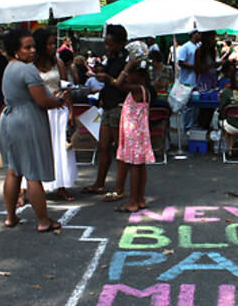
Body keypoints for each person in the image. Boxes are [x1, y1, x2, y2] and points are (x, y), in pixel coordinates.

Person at [0, 29, 68, 233]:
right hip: (26, 120)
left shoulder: (10, 67)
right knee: (32, 172)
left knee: (13, 171)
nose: (32, 51)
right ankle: (43, 220)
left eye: (32, 47)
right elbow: (42, 100)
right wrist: (59, 101)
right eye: (27, 47)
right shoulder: (27, 70)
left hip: (9, 119)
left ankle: (11, 216)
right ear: (16, 50)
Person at [26, 29, 77, 202]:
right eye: (48, 43)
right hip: (39, 110)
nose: (52, 46)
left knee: (60, 148)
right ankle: (25, 188)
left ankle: (61, 184)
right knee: (36, 150)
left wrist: (70, 110)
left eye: (53, 43)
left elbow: (65, 86)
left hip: (58, 111)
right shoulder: (30, 66)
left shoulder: (58, 62)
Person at [81, 25, 129, 198]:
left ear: (121, 43)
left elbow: (126, 85)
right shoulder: (111, 58)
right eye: (106, 44)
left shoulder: (127, 61)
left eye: (111, 44)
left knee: (119, 148)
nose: (107, 48)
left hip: (119, 105)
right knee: (103, 147)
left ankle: (119, 188)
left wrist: (110, 79)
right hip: (107, 104)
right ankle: (99, 183)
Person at [112, 45, 156, 213]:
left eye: (131, 74)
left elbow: (118, 83)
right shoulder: (142, 90)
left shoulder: (138, 89)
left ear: (137, 75)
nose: (128, 77)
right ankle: (140, 198)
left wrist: (127, 66)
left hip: (134, 135)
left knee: (134, 167)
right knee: (140, 167)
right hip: (138, 134)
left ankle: (132, 201)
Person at [178, 31, 200, 131]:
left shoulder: (198, 47)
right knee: (187, 105)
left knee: (196, 105)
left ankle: (193, 125)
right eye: (198, 33)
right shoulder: (186, 47)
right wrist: (194, 67)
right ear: (193, 34)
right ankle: (186, 127)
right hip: (186, 81)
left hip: (197, 81)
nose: (200, 35)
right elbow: (181, 62)